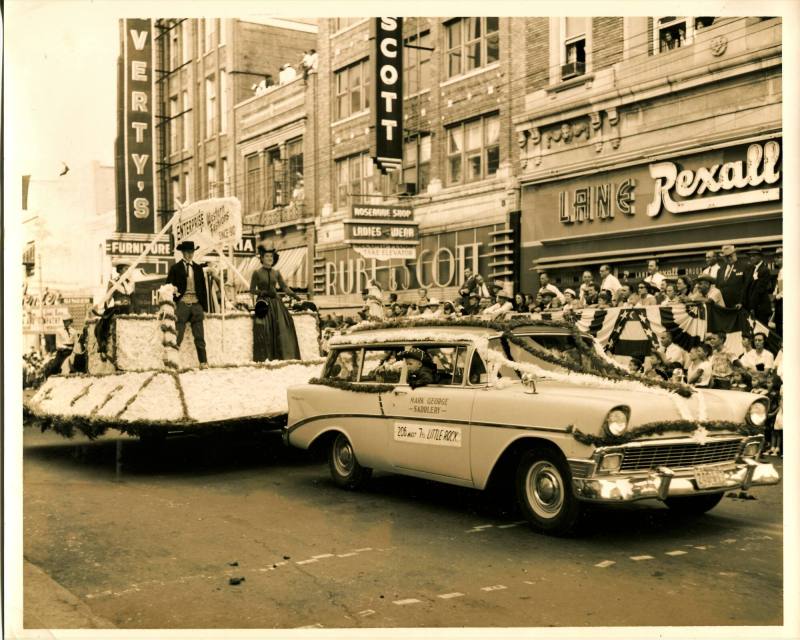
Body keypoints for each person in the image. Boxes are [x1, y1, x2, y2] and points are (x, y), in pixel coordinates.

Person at [167, 241, 218, 368]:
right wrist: (174, 299)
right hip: (182, 304)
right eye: (187, 252)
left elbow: (202, 289)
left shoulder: (198, 268)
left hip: (196, 305)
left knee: (200, 336)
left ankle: (203, 362)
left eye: (192, 252)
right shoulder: (175, 268)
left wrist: (204, 307)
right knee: (177, 335)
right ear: (183, 253)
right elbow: (168, 287)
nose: (190, 254)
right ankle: (172, 362)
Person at [250, 246, 301, 361]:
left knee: (283, 327)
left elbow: (285, 287)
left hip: (276, 303)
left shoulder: (276, 273)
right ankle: (266, 357)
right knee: (264, 329)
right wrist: (262, 292)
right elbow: (252, 290)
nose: (269, 258)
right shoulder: (256, 273)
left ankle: (284, 355)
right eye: (267, 256)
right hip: (263, 302)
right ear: (262, 258)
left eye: (271, 256)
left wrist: (295, 296)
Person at [94, 263, 136, 361]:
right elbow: (108, 297)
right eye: (126, 269)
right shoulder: (113, 282)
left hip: (129, 308)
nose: (128, 271)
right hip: (118, 308)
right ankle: (103, 346)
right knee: (104, 323)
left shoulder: (131, 282)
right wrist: (104, 306)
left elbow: (132, 296)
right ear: (120, 270)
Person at [743, 247, 773, 324]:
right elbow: (747, 287)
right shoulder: (751, 269)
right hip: (751, 307)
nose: (751, 258)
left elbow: (759, 290)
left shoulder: (764, 270)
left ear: (760, 256)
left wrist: (752, 307)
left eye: (753, 256)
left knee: (761, 331)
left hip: (760, 307)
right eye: (750, 256)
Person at [715, 244, 747, 308]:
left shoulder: (744, 267)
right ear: (723, 258)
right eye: (726, 257)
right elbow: (717, 288)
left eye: (730, 255)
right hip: (723, 307)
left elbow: (746, 287)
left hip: (738, 306)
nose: (729, 258)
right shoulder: (720, 270)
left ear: (735, 254)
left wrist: (741, 302)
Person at [771, 247, 783, 335]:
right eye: (776, 257)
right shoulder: (781, 271)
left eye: (779, 257)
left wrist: (776, 296)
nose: (776, 259)